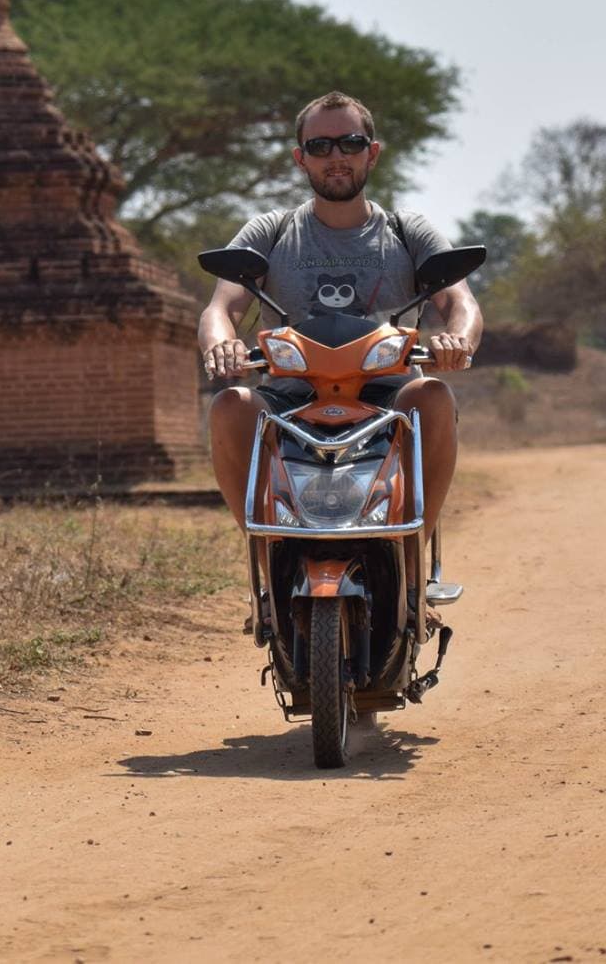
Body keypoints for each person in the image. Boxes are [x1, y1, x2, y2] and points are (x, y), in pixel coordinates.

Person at [199, 90, 482, 595]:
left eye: (350, 143)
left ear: (372, 152)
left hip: (386, 393)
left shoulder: (406, 230)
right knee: (229, 406)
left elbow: (461, 304)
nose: (336, 157)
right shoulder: (272, 229)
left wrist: (456, 339)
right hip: (291, 397)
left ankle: (413, 570)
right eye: (321, 146)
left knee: (432, 396)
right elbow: (223, 308)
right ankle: (268, 575)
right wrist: (223, 345)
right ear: (300, 157)